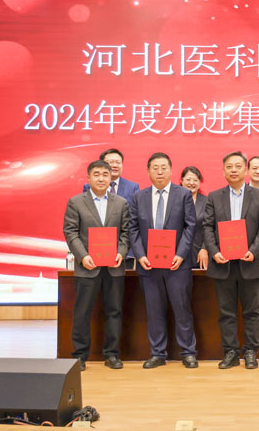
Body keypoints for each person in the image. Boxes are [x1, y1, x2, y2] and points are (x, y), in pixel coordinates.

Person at [203, 151, 259, 369]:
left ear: (245, 170)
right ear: (223, 171)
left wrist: (254, 250)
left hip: (250, 262)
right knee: (226, 312)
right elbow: (207, 227)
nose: (233, 170)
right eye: (229, 167)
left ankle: (251, 352)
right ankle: (231, 352)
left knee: (252, 311)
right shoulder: (214, 196)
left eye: (238, 166)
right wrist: (214, 251)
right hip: (222, 263)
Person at [129, 152, 198, 369]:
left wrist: (181, 254)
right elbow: (132, 229)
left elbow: (190, 226)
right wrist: (140, 255)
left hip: (177, 265)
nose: (159, 172)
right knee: (154, 311)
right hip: (149, 265)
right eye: (155, 168)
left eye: (163, 168)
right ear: (148, 171)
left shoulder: (183, 194)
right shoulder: (138, 197)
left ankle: (188, 352)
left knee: (182, 309)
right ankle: (158, 353)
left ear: (170, 170)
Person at [64, 160, 130, 371]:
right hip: (87, 268)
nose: (101, 178)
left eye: (105, 174)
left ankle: (112, 354)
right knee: (82, 313)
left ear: (111, 178)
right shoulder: (76, 202)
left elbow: (126, 233)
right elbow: (70, 232)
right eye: (96, 174)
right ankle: (80, 356)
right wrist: (82, 256)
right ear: (89, 177)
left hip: (114, 267)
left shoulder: (121, 203)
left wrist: (121, 253)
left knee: (114, 311)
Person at [84, 148, 140, 269]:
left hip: (124, 250)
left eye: (118, 162)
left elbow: (134, 217)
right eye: (110, 162)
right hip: (96, 248)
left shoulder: (133, 187)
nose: (114, 165)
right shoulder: (89, 187)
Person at [180, 166, 209, 269]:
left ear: (199, 182)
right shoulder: (174, 200)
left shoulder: (207, 201)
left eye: (195, 180)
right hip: (177, 255)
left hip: (200, 254)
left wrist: (205, 248)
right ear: (182, 181)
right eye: (188, 179)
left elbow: (210, 227)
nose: (191, 183)